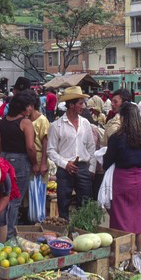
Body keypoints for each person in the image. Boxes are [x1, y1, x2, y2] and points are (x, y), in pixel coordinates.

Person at [103, 102, 141, 252]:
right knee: (139, 217)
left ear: (123, 118)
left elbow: (107, 161)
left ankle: (123, 254)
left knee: (120, 216)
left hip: (122, 178)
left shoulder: (117, 138)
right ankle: (139, 253)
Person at [47, 86, 96, 220]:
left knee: (85, 204)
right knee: (63, 203)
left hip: (83, 167)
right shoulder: (56, 125)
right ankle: (64, 231)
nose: (83, 106)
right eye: (80, 103)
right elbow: (50, 150)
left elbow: (91, 147)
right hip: (65, 169)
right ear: (71, 105)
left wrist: (91, 168)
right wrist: (65, 164)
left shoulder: (85, 123)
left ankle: (83, 231)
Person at [0, 91, 38, 238]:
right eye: (29, 106)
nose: (31, 109)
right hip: (20, 160)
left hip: (4, 159)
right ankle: (9, 235)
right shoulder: (25, 123)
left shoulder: (2, 122)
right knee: (14, 200)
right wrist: (35, 163)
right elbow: (30, 147)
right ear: (23, 107)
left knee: (4, 197)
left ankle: (0, 231)